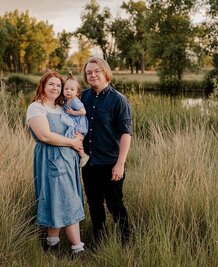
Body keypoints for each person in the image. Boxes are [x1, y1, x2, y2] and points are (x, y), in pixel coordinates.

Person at [26, 70, 85, 256]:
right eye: (51, 84)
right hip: (51, 158)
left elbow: (76, 126)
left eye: (58, 85)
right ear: (43, 85)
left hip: (67, 160)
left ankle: (52, 244)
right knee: (67, 200)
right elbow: (44, 135)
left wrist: (79, 138)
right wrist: (72, 142)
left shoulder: (61, 108)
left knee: (57, 198)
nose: (55, 88)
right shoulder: (36, 107)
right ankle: (78, 249)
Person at [81, 57, 132, 246]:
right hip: (89, 162)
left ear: (105, 73)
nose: (92, 75)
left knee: (115, 204)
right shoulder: (82, 97)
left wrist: (120, 164)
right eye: (89, 72)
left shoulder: (118, 100)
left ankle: (126, 241)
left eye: (96, 71)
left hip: (111, 163)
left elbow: (126, 134)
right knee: (94, 204)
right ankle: (98, 240)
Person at [63, 73, 90, 168]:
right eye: (66, 89)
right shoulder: (65, 101)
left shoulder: (75, 101)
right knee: (70, 139)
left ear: (77, 93)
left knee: (76, 138)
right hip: (74, 124)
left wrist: (72, 113)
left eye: (72, 89)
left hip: (79, 124)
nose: (68, 91)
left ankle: (83, 156)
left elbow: (83, 112)